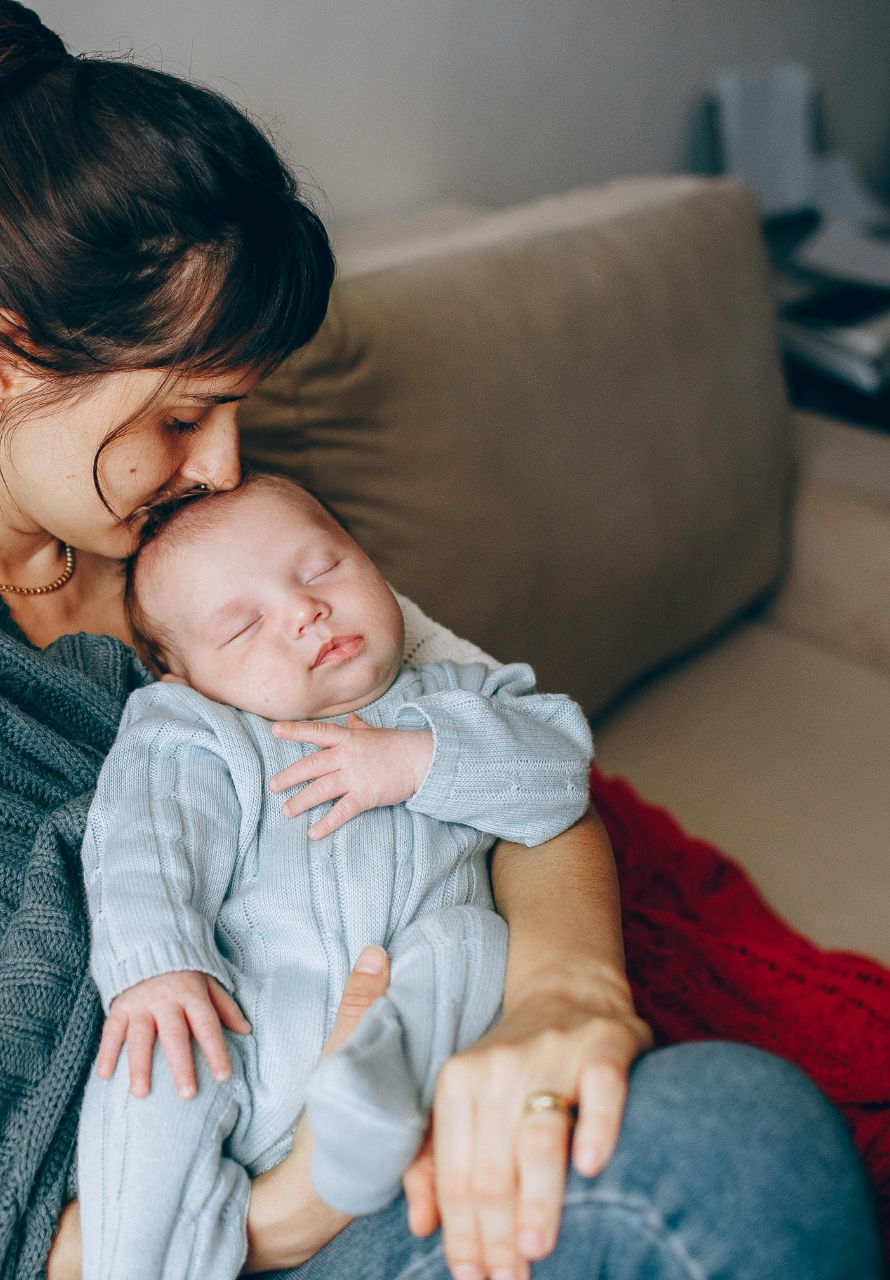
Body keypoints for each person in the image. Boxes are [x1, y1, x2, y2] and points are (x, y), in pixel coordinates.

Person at [0, 1, 882, 1277]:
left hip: (401, 1065)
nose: (226, 465)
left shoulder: (193, 535)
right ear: (4, 358)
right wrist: (281, 1210)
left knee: (751, 1132)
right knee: (741, 1156)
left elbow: (507, 758)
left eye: (236, 412)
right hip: (183, 1228)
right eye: (185, 415)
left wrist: (565, 992)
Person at [80, 475, 596, 1279]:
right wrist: (155, 966)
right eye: (245, 624)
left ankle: (366, 1113)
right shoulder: (198, 731)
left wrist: (420, 758)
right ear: (180, 677)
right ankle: (142, 1262)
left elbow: (561, 778)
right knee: (146, 1064)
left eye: (323, 569)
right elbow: (142, 845)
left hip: (402, 1049)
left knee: (470, 941)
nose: (304, 611)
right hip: (240, 1038)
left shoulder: (465, 697)